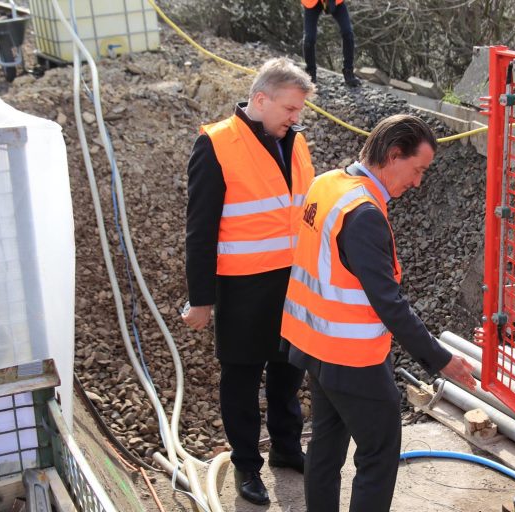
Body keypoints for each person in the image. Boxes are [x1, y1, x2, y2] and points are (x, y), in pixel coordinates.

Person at [281, 114, 477, 511]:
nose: (418, 182)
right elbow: (389, 303)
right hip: (351, 358)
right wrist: (440, 360)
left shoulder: (327, 185)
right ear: (393, 155)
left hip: (312, 345)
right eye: (417, 169)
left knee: (325, 445)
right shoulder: (364, 214)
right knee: (378, 453)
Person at [182, 57, 316, 506]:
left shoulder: (296, 143)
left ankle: (285, 448)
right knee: (241, 380)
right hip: (242, 289)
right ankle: (246, 466)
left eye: (299, 110)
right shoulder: (217, 144)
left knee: (287, 372)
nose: (295, 117)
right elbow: (200, 230)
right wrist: (200, 300)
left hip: (293, 283)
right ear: (260, 99)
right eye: (290, 108)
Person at [301, 0, 362, 87]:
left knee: (347, 32)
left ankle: (349, 72)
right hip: (311, 3)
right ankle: (310, 74)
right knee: (309, 38)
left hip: (335, 1)